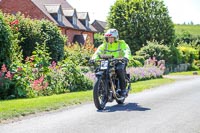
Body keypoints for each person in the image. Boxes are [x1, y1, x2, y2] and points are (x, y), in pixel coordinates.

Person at [91, 29, 132, 97]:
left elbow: (126, 50)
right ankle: (103, 86)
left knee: (119, 69)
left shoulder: (121, 43)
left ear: (116, 38)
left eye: (111, 37)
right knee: (99, 70)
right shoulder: (104, 45)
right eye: (108, 37)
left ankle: (123, 89)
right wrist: (93, 59)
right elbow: (98, 52)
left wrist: (126, 57)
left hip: (119, 61)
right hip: (107, 62)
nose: (110, 39)